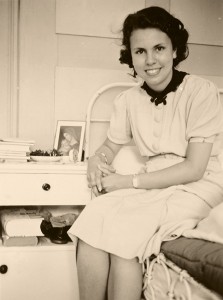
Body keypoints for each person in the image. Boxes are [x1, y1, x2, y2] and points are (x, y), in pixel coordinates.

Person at [68, 6, 223, 300]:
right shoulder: (128, 100)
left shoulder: (201, 91)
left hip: (197, 186)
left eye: (159, 48)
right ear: (131, 56)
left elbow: (194, 169)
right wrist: (95, 160)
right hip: (154, 183)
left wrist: (126, 182)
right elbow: (111, 146)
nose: (150, 60)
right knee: (93, 218)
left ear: (175, 50)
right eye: (140, 51)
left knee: (124, 235)